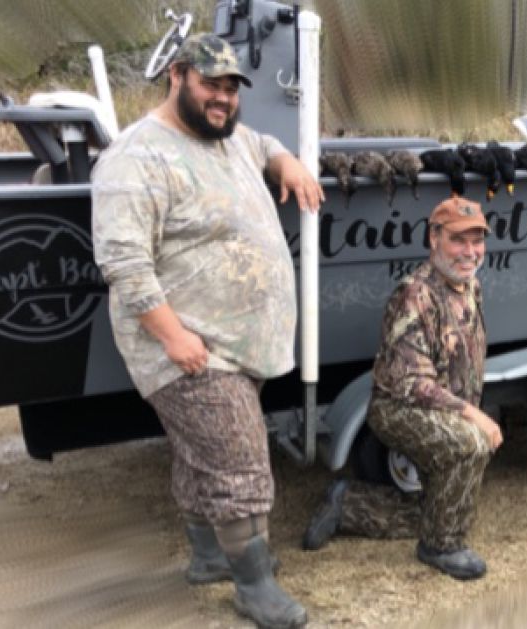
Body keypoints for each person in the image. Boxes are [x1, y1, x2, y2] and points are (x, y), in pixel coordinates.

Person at [91, 33, 323, 629]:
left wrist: (286, 161)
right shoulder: (135, 158)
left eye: (229, 87)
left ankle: (208, 558)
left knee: (204, 457)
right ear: (177, 76)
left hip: (236, 344)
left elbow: (263, 140)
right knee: (240, 463)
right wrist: (172, 337)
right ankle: (255, 587)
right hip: (189, 348)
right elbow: (123, 263)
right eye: (209, 84)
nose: (222, 98)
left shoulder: (230, 139)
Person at [301, 197, 502, 580]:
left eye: (477, 240)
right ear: (434, 238)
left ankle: (348, 505)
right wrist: (473, 416)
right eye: (459, 240)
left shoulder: (469, 286)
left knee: (442, 506)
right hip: (399, 408)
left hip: (442, 409)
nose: (470, 251)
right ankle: (441, 548)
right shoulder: (415, 294)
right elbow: (413, 382)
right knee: (470, 445)